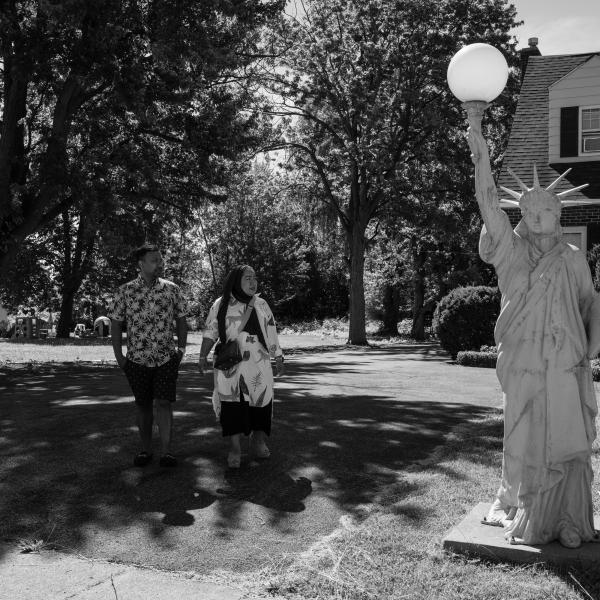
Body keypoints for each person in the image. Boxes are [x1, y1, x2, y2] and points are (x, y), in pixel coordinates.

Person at [465, 102, 600, 548]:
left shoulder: (574, 260)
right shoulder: (511, 251)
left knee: (561, 433)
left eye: (545, 209)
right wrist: (477, 133)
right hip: (522, 354)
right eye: (530, 209)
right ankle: (515, 501)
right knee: (519, 428)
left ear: (559, 216)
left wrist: (588, 349)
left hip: (562, 359)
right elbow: (487, 199)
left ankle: (565, 515)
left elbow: (588, 306)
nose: (537, 216)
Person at [109, 243, 189, 468]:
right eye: (154, 260)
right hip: (136, 360)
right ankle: (145, 450)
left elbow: (181, 320)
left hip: (166, 358)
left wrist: (180, 351)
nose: (159, 264)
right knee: (143, 405)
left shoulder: (172, 289)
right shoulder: (124, 291)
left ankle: (166, 452)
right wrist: (119, 357)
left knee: (164, 402)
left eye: (160, 259)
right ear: (141, 264)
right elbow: (116, 324)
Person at [198, 265, 284, 468]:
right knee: (231, 404)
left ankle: (258, 440)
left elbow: (271, 332)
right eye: (247, 278)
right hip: (230, 364)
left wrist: (278, 357)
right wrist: (202, 355)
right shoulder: (221, 304)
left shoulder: (261, 304)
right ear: (236, 280)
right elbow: (211, 332)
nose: (253, 282)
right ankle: (235, 448)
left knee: (262, 402)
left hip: (259, 362)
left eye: (254, 278)